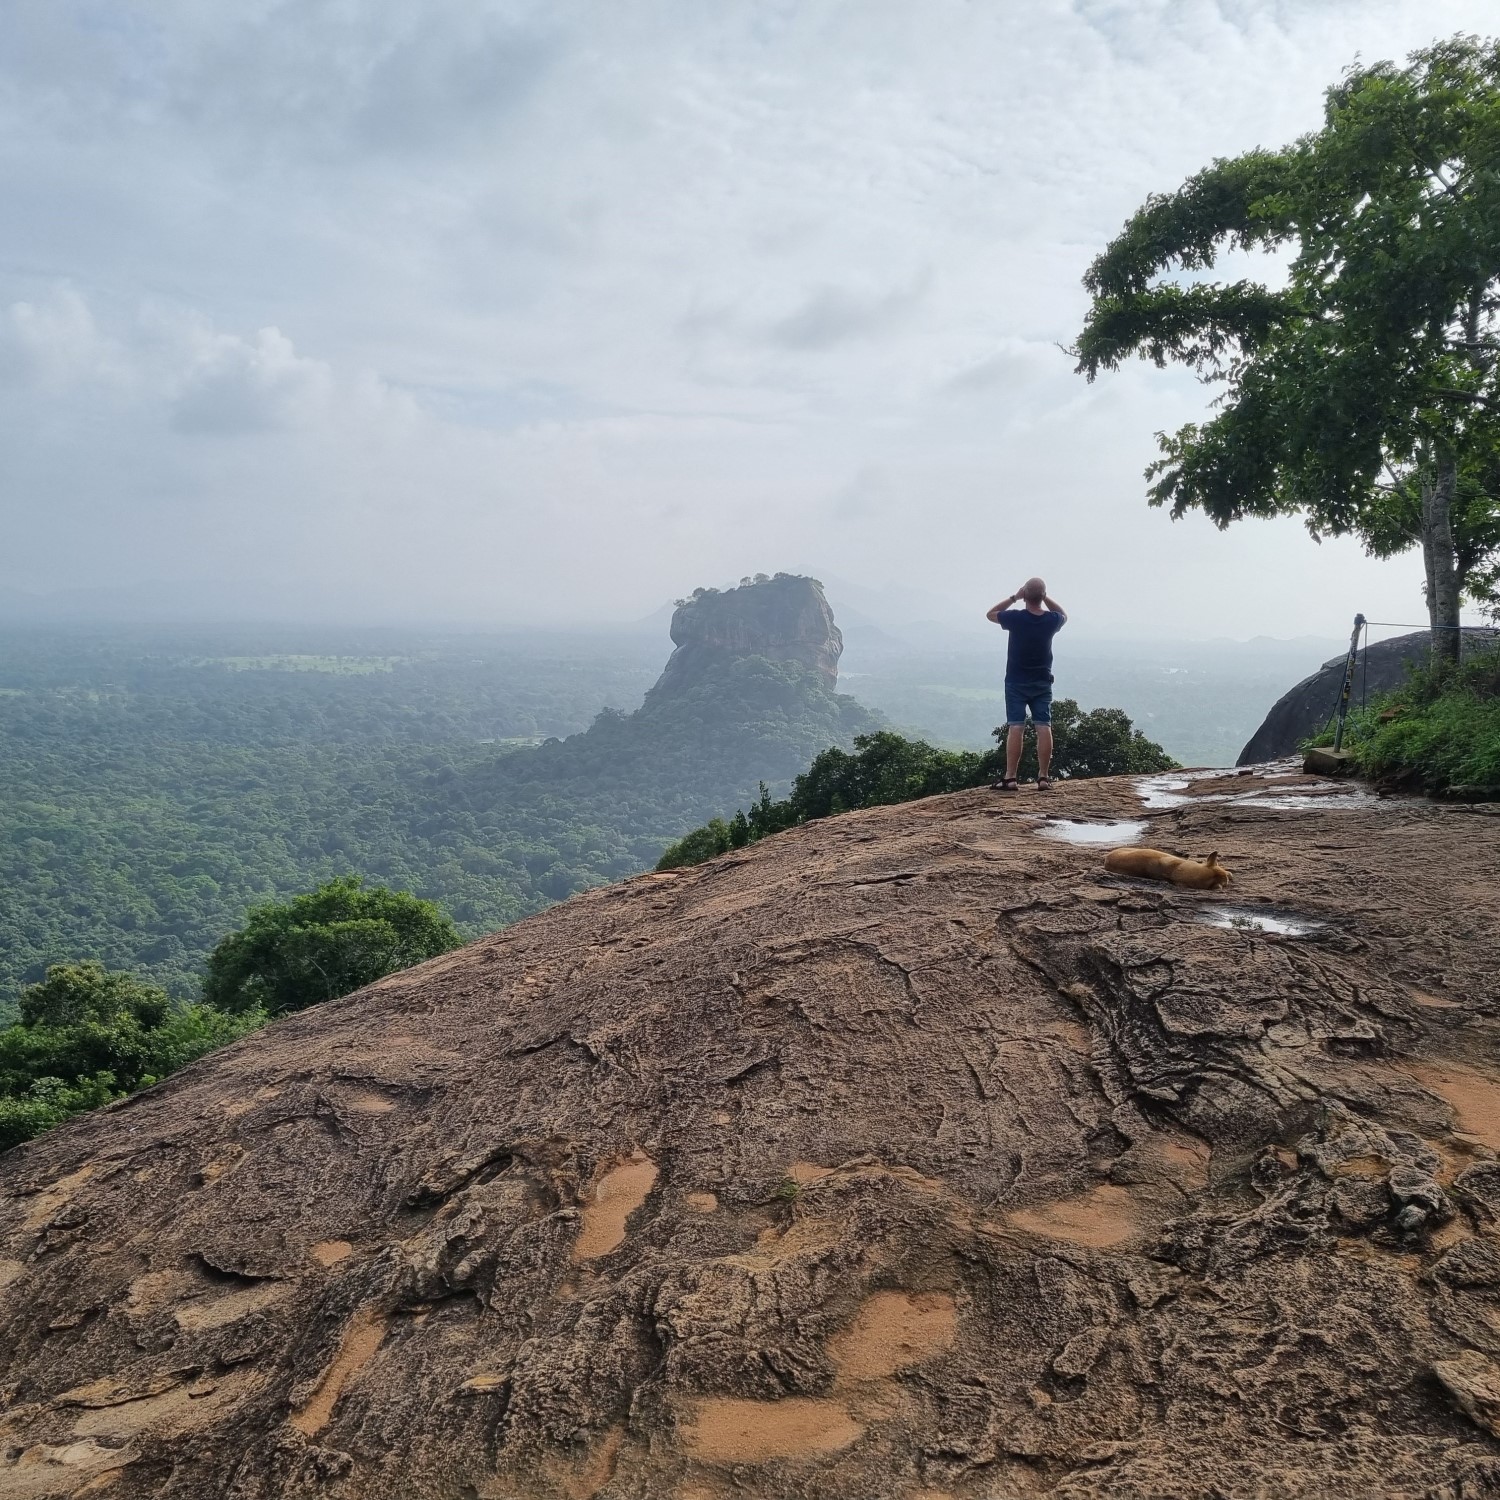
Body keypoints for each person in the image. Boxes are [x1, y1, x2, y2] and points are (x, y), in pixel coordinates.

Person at [986, 578, 1067, 791]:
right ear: (1042, 597)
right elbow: (1064, 615)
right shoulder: (1051, 620)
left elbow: (990, 614)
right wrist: (1044, 596)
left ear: (1025, 595)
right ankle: (1043, 777)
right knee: (1043, 726)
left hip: (1016, 681)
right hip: (1042, 681)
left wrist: (1015, 597)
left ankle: (1010, 778)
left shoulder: (1017, 618)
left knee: (1016, 727)